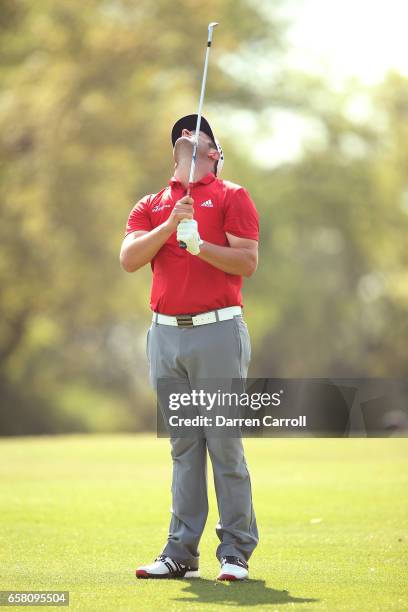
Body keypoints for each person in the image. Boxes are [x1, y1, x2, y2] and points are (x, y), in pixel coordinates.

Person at [120, 114, 259, 581]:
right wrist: (170, 227)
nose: (192, 151)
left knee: (223, 444)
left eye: (201, 145)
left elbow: (247, 261)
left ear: (217, 154)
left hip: (218, 330)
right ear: (174, 155)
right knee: (183, 447)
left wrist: (200, 246)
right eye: (183, 145)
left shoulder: (231, 196)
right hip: (164, 334)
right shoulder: (153, 203)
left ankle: (235, 552)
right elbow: (129, 258)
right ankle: (180, 552)